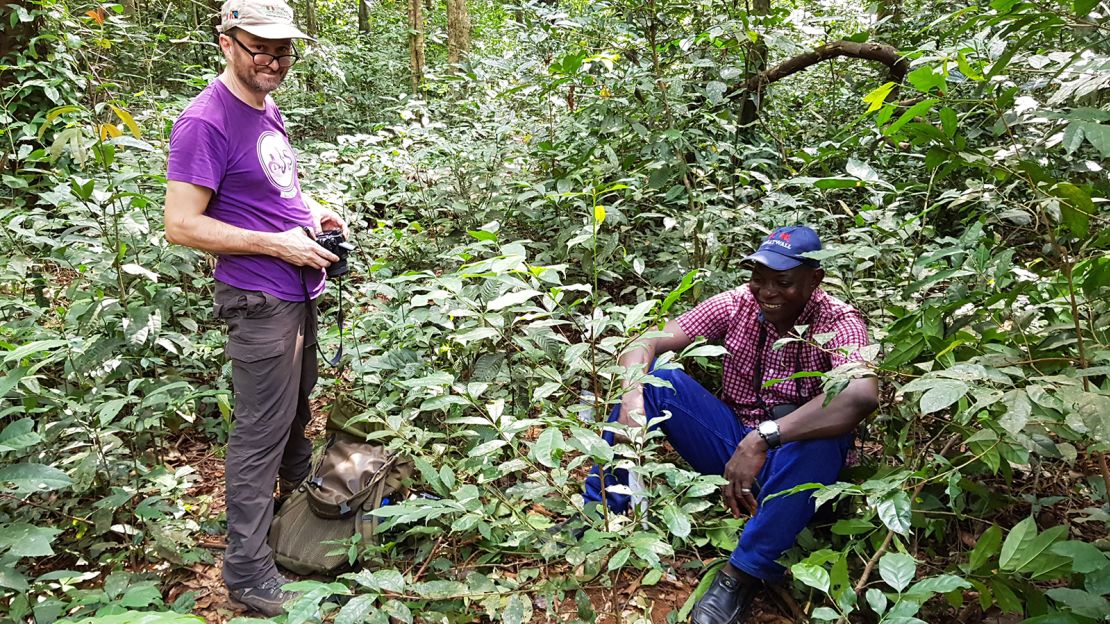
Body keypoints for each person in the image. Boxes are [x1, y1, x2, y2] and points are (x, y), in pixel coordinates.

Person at [579, 225, 879, 624]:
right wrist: (633, 394)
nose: (767, 291)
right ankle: (603, 510)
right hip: (732, 448)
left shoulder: (838, 321)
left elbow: (861, 396)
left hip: (796, 466)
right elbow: (644, 341)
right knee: (659, 380)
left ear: (814, 279)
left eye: (783, 281)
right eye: (759, 279)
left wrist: (764, 437)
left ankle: (743, 573)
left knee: (827, 438)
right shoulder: (736, 304)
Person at [163, 0, 346, 615]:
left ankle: (296, 529)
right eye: (259, 48)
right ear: (226, 44)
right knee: (260, 432)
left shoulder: (266, 107)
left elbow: (275, 186)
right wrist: (276, 243)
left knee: (295, 416)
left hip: (296, 290)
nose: (273, 60)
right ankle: (246, 570)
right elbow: (182, 225)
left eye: (283, 49)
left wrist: (313, 214)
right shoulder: (205, 122)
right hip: (258, 298)